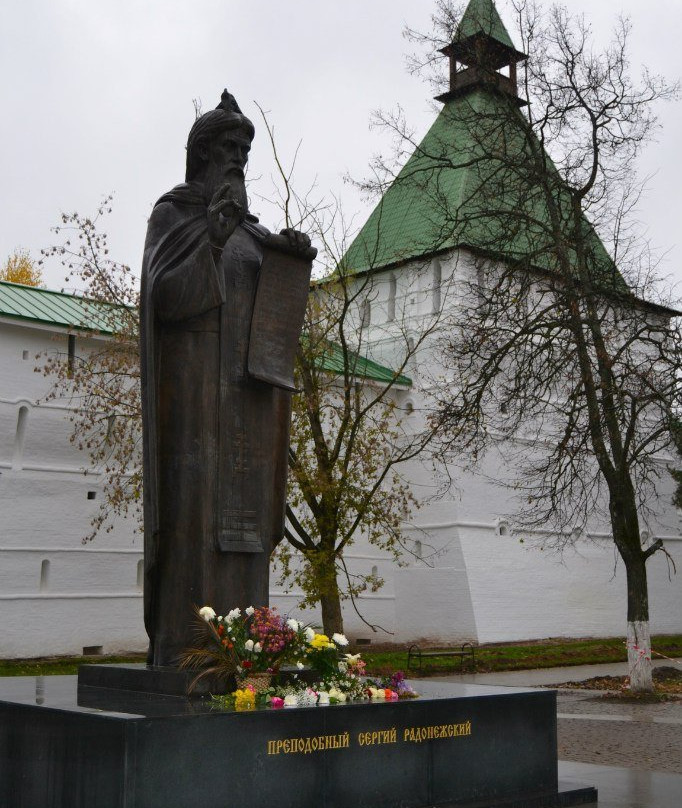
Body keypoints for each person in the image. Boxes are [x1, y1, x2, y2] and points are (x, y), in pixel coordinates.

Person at [140, 90, 312, 667]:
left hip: (246, 395)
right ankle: (185, 651)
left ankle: (247, 652)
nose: (238, 157)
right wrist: (211, 239)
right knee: (195, 511)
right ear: (202, 154)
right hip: (191, 393)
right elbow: (164, 299)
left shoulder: (253, 233)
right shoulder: (175, 213)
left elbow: (274, 322)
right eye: (228, 147)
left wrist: (288, 262)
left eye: (244, 148)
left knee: (247, 521)